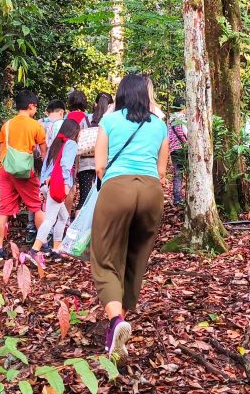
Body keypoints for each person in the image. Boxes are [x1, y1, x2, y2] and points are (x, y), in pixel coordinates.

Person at [90, 74, 169, 360]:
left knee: (105, 258)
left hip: (117, 188)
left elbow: (99, 166)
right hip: (151, 191)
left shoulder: (109, 121)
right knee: (136, 257)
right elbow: (162, 171)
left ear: (121, 93)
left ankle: (115, 321)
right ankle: (117, 332)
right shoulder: (160, 125)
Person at [0, 91, 46, 263]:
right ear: (31, 106)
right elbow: (44, 151)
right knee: (36, 206)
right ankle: (42, 242)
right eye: (35, 107)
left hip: (6, 171)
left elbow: (2, 149)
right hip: (24, 171)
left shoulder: (6, 125)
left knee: (4, 210)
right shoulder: (35, 126)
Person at [29, 117, 80, 269]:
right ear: (74, 132)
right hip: (57, 185)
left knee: (63, 216)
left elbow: (45, 165)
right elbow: (66, 165)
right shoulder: (70, 144)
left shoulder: (55, 144)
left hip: (47, 183)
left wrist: (42, 185)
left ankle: (56, 249)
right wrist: (65, 184)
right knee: (50, 219)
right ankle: (34, 250)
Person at [76, 93, 113, 209]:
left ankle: (79, 226)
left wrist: (77, 166)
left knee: (84, 200)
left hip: (85, 164)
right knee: (103, 199)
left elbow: (79, 143)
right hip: (105, 164)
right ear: (111, 105)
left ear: (95, 104)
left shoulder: (85, 120)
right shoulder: (111, 121)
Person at [167, 97, 187, 206]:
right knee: (184, 172)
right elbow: (184, 132)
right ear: (183, 107)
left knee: (177, 173)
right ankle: (181, 197)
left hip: (173, 148)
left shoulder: (170, 119)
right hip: (182, 148)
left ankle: (177, 197)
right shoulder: (181, 118)